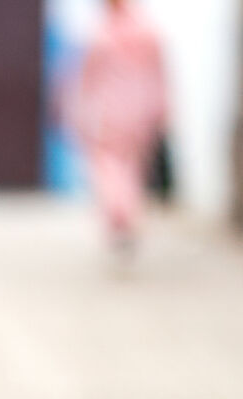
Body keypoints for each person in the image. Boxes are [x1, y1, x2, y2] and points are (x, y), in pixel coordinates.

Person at [71, 0, 170, 259]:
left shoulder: (101, 35)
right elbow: (160, 76)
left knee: (108, 167)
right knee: (133, 169)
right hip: (142, 113)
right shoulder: (149, 32)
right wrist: (163, 109)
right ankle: (128, 217)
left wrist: (80, 114)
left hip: (110, 114)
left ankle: (119, 216)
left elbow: (86, 81)